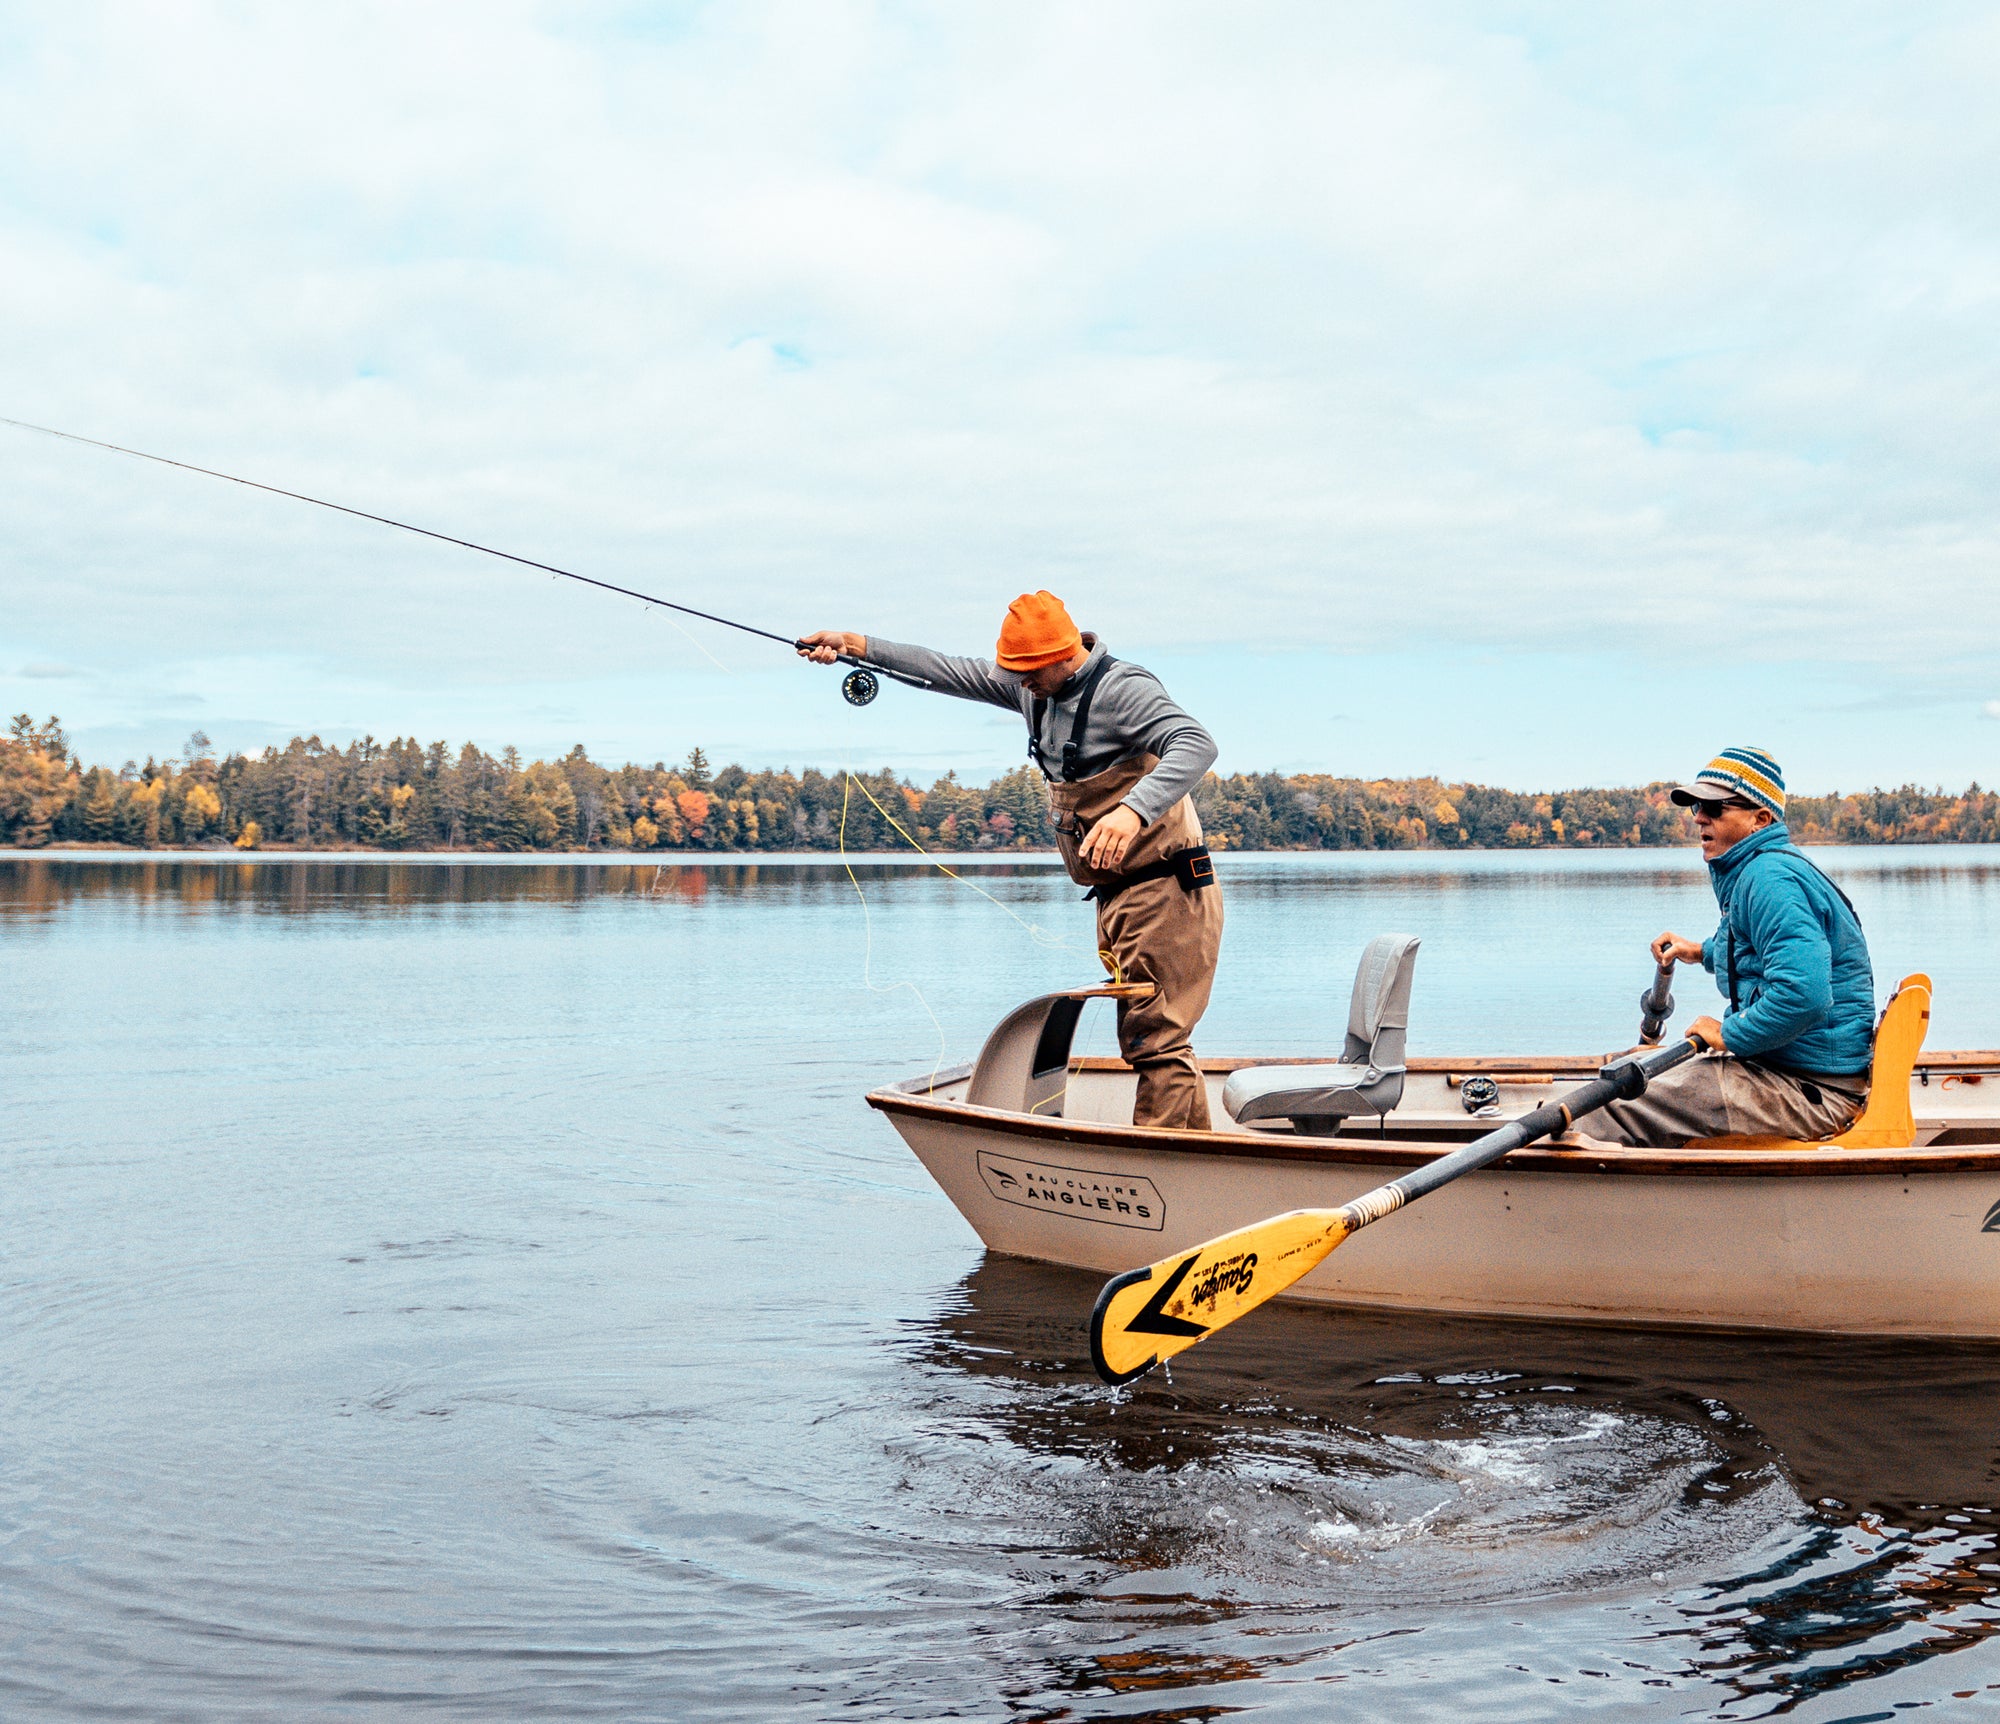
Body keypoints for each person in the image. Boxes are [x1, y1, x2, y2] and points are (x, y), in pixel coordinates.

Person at [798, 593, 1224, 1130]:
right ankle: (1191, 1163)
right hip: (1117, 896)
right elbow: (944, 672)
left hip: (1168, 891)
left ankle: (1164, 1172)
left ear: (1061, 655)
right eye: (1012, 672)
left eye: (1026, 673)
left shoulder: (1124, 690)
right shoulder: (1032, 686)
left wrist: (1133, 813)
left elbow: (1195, 742)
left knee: (1157, 1041)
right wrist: (858, 645)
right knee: (1151, 1039)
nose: (1017, 682)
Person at [1592, 746, 1876, 1147]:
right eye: (1695, 806)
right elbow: (1754, 946)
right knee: (1623, 1068)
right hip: (1787, 1069)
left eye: (1715, 807)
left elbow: (1805, 995)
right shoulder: (1757, 868)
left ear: (1760, 819)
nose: (1700, 818)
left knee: (1613, 1100)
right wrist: (1700, 952)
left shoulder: (1769, 879)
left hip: (1813, 1090)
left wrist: (1729, 1033)